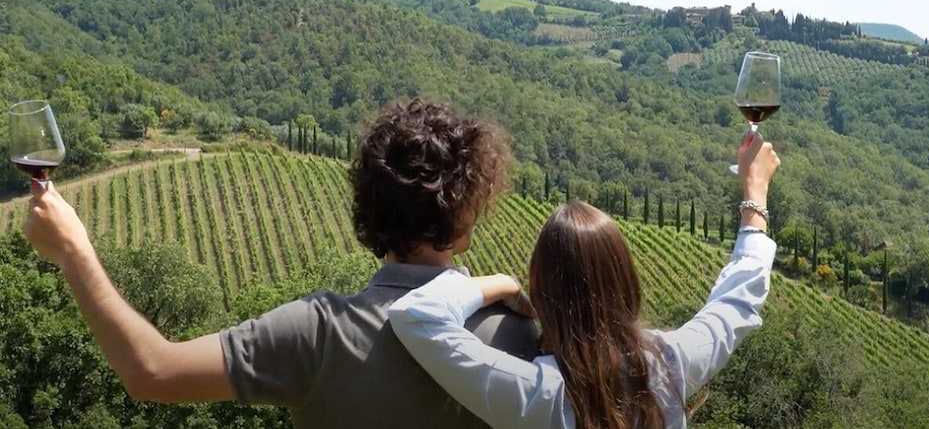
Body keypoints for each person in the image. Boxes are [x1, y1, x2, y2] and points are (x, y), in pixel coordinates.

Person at [21, 99, 540, 428]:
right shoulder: (523, 337)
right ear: (467, 217)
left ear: (367, 206)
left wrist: (74, 251)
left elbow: (151, 371)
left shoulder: (316, 332)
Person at [388, 132, 781, 429]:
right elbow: (738, 300)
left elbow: (416, 313)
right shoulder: (672, 362)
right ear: (626, 281)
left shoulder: (537, 394)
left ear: (543, 293)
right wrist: (755, 192)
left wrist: (503, 285)